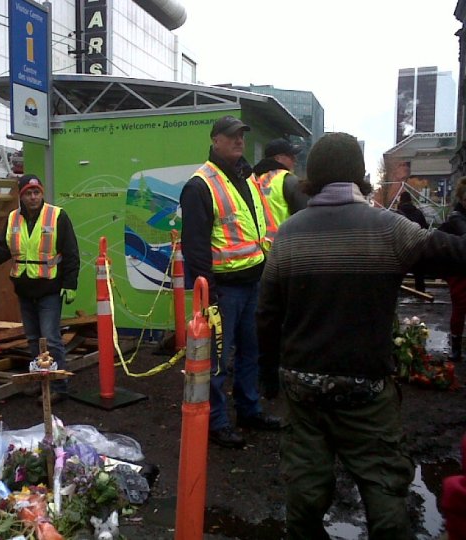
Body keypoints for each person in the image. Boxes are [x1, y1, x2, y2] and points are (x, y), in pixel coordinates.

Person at [256, 132, 466, 539]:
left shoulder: (289, 235)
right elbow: (454, 254)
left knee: (304, 488)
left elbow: (267, 315)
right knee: (383, 489)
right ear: (361, 177)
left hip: (303, 386)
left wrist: (267, 375)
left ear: (311, 179)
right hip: (366, 387)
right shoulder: (390, 229)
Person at [179, 115, 281, 450]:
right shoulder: (199, 185)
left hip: (253, 283)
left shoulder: (247, 177)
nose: (239, 140)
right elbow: (195, 247)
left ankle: (249, 410)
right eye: (231, 136)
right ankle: (217, 422)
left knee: (250, 353)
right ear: (215, 140)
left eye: (241, 135)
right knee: (218, 361)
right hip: (223, 289)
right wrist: (207, 292)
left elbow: (258, 226)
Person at [0, 174, 80, 403]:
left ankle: (59, 386)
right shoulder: (13, 218)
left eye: (37, 192)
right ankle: (39, 380)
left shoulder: (57, 216)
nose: (33, 197)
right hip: (24, 288)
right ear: (21, 196)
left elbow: (71, 252)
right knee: (33, 338)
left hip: (49, 288)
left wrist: (70, 284)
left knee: (51, 339)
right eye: (28, 193)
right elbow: (3, 248)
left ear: (42, 194)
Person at [253, 138, 309, 233]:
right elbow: (305, 219)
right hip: (284, 243)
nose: (295, 160)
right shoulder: (289, 180)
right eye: (290, 156)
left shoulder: (252, 179)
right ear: (278, 158)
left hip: (257, 245)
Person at [438, 176, 466, 361]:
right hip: (460, 272)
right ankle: (455, 346)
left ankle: (456, 346)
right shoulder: (457, 218)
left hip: (458, 270)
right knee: (460, 308)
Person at [397, 190, 429, 292]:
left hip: (402, 248)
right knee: (419, 276)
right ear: (410, 200)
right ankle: (421, 294)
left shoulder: (397, 214)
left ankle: (396, 294)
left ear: (401, 201)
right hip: (416, 248)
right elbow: (425, 229)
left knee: (398, 275)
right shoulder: (418, 213)